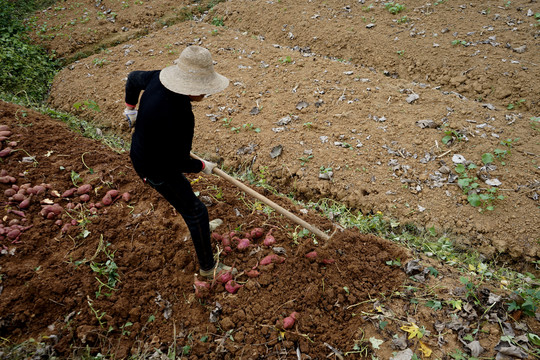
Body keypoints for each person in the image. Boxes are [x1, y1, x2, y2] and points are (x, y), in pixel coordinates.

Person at [123, 45, 233, 278]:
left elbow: (132, 79)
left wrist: (130, 108)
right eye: (203, 88)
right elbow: (177, 162)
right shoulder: (181, 116)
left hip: (151, 149)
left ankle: (200, 231)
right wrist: (203, 167)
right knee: (197, 212)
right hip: (154, 167)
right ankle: (208, 269)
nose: (206, 93)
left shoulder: (158, 78)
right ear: (190, 86)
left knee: (185, 197)